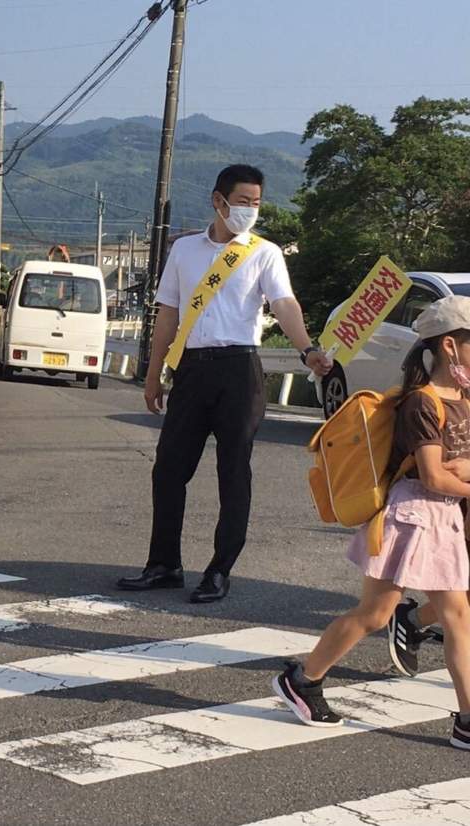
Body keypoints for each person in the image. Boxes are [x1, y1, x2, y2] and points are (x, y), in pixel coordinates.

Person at [116, 164, 332, 603]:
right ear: (218, 201)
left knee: (233, 472)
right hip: (192, 369)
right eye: (242, 202)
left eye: (256, 203)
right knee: (169, 470)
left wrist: (308, 349)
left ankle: (219, 569)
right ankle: (163, 564)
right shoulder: (184, 250)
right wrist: (155, 373)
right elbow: (169, 315)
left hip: (239, 369)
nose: (250, 211)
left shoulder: (263, 252)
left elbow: (284, 304)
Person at [273, 296, 470, 749]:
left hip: (443, 518)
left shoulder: (463, 398)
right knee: (374, 614)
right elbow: (436, 474)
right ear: (449, 347)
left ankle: (466, 720)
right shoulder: (422, 403)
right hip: (412, 515)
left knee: (458, 615)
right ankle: (303, 679)